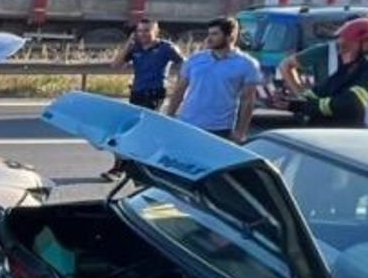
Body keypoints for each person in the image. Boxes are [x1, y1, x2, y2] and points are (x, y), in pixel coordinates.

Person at [102, 18, 185, 179]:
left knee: (139, 131)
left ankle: (126, 169)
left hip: (154, 94)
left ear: (155, 31)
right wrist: (128, 44)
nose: (143, 34)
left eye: (147, 30)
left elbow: (185, 64)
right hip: (137, 94)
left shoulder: (165, 48)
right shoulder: (135, 48)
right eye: (139, 31)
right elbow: (116, 65)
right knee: (126, 130)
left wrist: (179, 83)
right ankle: (127, 167)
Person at [275, 17, 368, 128]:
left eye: (345, 46)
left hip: (355, 136)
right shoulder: (354, 66)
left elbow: (350, 105)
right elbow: (324, 89)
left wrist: (302, 106)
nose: (340, 51)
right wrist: (294, 101)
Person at [165, 17, 262, 142]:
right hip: (187, 123)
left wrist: (240, 132)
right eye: (209, 34)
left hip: (220, 129)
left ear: (230, 37)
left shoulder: (247, 64)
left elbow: (247, 101)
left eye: (215, 34)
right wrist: (169, 117)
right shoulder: (195, 59)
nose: (209, 38)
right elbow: (179, 90)